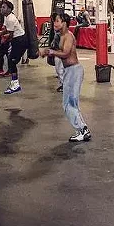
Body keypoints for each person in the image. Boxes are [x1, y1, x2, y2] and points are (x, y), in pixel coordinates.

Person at [41, 13, 91, 142]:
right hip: (69, 71)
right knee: (69, 103)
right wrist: (46, 52)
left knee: (69, 103)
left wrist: (50, 52)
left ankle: (81, 130)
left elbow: (65, 53)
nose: (55, 24)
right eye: (54, 22)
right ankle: (82, 129)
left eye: (57, 21)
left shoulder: (68, 36)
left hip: (74, 70)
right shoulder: (60, 36)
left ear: (64, 23)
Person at [0, 0, 28, 94]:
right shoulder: (7, 17)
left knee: (12, 62)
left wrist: (4, 39)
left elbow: (10, 34)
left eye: (4, 7)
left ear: (9, 9)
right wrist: (1, 33)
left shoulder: (11, 18)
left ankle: (15, 85)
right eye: (1, 7)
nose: (1, 9)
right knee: (11, 61)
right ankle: (14, 83)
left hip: (20, 40)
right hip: (17, 40)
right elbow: (6, 29)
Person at [50, 12, 64, 92]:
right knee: (59, 70)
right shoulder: (57, 33)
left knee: (60, 70)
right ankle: (63, 84)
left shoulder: (61, 33)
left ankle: (64, 85)